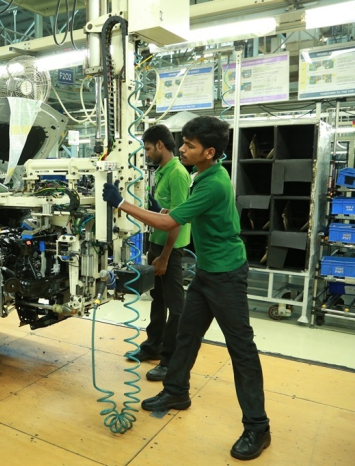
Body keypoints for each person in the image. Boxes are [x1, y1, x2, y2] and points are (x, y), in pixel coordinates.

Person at [102, 116, 270, 461]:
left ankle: (258, 426)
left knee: (242, 350)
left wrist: (121, 203)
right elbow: (180, 213)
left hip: (226, 275)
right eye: (183, 143)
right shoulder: (203, 173)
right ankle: (176, 391)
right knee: (186, 334)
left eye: (189, 146)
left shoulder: (213, 184)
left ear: (209, 151)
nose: (181, 149)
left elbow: (168, 223)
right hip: (207, 272)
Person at [126, 125, 191, 383]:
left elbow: (177, 220)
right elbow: (163, 212)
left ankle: (170, 360)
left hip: (170, 250)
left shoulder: (177, 174)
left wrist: (164, 255)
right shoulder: (163, 171)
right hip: (157, 244)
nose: (147, 153)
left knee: (176, 307)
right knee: (158, 299)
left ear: (161, 145)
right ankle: (153, 346)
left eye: (149, 148)